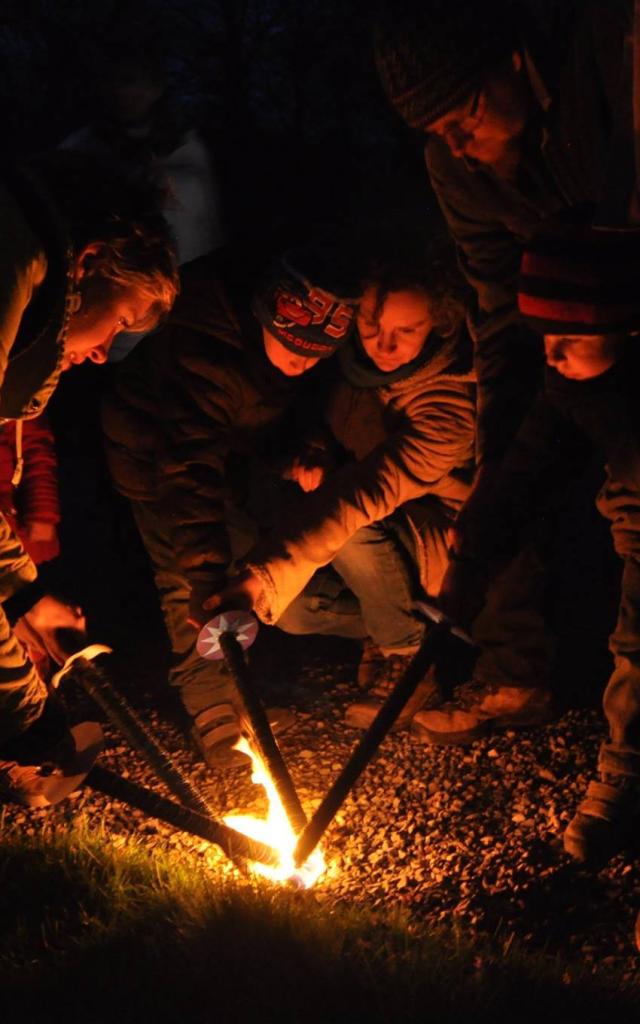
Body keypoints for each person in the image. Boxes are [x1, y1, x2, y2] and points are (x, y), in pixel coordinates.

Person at [374, 0, 638, 724]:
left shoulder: (613, 71)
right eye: (439, 135)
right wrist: (493, 468)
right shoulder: (457, 168)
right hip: (577, 356)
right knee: (527, 486)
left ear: (513, 66)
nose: (457, 148)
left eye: (464, 123)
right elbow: (500, 312)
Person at [413, 230, 640, 867]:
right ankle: (625, 772)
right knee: (634, 646)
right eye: (544, 338)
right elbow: (527, 466)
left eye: (568, 338)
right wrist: (470, 557)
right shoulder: (572, 383)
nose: (552, 354)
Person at [102, 246, 359, 768]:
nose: (301, 363)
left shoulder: (280, 357)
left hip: (224, 458)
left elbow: (278, 414)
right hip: (155, 459)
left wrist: (302, 452)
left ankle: (242, 698)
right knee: (187, 584)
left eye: (314, 356)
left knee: (238, 565)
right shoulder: (206, 344)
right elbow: (188, 467)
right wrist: (204, 573)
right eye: (293, 347)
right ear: (267, 314)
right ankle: (212, 712)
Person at [206, 247, 476, 730]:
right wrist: (313, 451)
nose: (382, 344)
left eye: (405, 332)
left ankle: (411, 657)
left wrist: (260, 577)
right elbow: (326, 428)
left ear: (436, 325)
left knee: (345, 529)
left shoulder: (448, 406)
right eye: (371, 324)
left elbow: (364, 494)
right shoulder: (353, 366)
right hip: (370, 528)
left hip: (441, 540)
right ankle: (386, 624)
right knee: (293, 611)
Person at [0, 149, 178, 806]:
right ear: (93, 261)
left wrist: (23, 594)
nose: (105, 351)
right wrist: (23, 711)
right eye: (122, 321)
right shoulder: (13, 263)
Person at [60, 24, 225, 362]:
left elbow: (206, 229)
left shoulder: (186, 151)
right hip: (92, 317)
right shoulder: (83, 149)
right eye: (120, 81)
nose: (128, 92)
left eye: (137, 81)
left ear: (156, 88)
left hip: (168, 321)